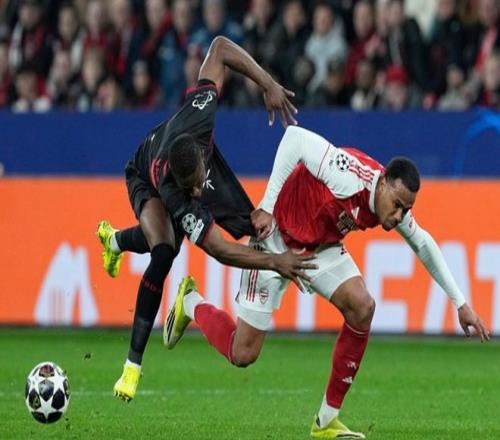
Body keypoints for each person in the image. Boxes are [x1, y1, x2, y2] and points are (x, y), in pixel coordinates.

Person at [165, 125, 490, 439]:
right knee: (243, 353)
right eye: (397, 206)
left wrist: (460, 303)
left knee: (362, 307)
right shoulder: (347, 174)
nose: (399, 216)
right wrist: (266, 206)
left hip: (320, 247)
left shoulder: (392, 204)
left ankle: (326, 421)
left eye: (406, 210)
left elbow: (423, 243)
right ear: (383, 184)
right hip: (275, 239)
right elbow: (294, 138)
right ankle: (190, 302)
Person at [96, 36, 314, 402]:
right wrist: (277, 262)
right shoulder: (176, 193)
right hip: (144, 175)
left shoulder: (202, 111)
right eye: (193, 189)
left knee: (251, 226)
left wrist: (267, 83)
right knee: (164, 250)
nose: (198, 192)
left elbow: (220, 48)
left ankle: (115, 240)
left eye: (198, 184)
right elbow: (220, 251)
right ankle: (132, 365)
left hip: (192, 156)